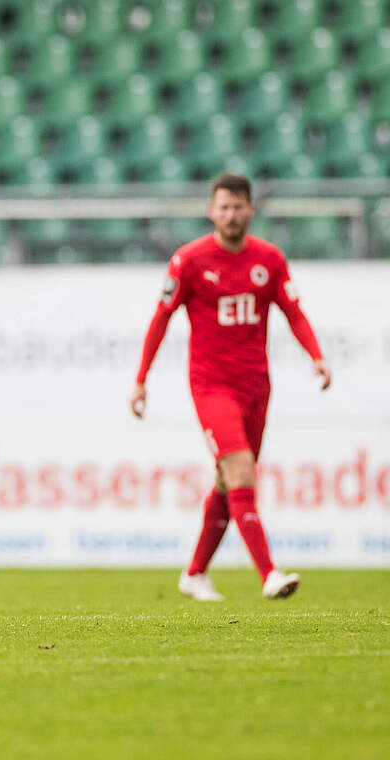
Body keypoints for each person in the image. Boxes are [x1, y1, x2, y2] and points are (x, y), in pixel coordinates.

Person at [131, 172, 330, 602]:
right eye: (223, 207)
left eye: (238, 206)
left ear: (251, 210)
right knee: (242, 472)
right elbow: (160, 319)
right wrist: (141, 379)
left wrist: (315, 355)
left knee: (228, 483)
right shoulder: (189, 261)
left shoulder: (270, 259)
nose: (231, 214)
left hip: (256, 387)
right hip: (211, 386)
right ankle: (269, 574)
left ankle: (195, 573)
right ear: (211, 211)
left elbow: (294, 312)